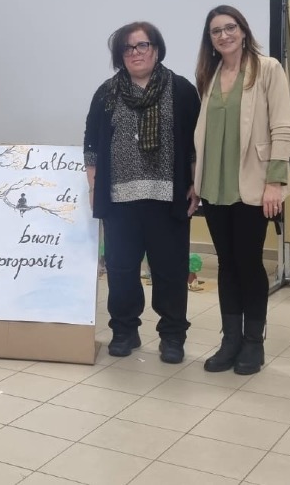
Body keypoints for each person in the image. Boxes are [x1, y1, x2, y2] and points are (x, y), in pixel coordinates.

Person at [84, 22, 201, 362]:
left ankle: (172, 336)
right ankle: (124, 331)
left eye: (142, 45)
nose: (135, 53)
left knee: (171, 271)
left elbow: (195, 144)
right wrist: (94, 185)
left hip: (169, 198)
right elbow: (91, 143)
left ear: (156, 49)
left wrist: (196, 183)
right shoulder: (106, 93)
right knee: (121, 270)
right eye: (127, 48)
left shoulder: (180, 90)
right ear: (120, 56)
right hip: (120, 200)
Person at [193, 5, 290, 376]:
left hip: (254, 184)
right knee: (226, 263)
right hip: (215, 187)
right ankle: (230, 339)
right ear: (211, 40)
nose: (224, 35)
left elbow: (283, 128)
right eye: (216, 31)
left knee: (249, 263)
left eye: (229, 28)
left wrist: (275, 182)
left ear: (243, 31)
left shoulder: (268, 69)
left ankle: (253, 342)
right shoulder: (210, 74)